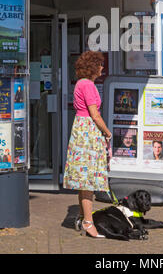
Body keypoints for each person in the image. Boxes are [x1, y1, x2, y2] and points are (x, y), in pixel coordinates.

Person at [63, 51, 112, 238]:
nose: (102, 68)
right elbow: (95, 114)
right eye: (99, 64)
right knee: (88, 179)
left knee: (84, 179)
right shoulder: (89, 85)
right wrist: (107, 133)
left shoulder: (79, 84)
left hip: (80, 130)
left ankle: (82, 216)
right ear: (93, 66)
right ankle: (88, 222)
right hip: (88, 133)